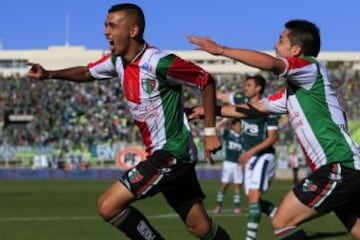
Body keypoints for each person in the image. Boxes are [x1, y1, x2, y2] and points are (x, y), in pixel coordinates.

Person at [27, 3, 230, 240]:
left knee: (108, 206)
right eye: (105, 25)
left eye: (112, 25)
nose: (105, 31)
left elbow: (205, 80)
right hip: (167, 154)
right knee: (200, 227)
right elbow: (87, 72)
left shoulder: (158, 62)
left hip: (171, 153)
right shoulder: (117, 62)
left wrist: (209, 132)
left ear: (132, 31)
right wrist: (49, 74)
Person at [187, 19, 360, 239]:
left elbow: (270, 64)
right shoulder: (292, 93)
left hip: (339, 166)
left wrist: (221, 50)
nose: (275, 44)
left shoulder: (309, 67)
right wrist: (210, 110)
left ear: (296, 50)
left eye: (281, 40)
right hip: (348, 168)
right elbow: (254, 109)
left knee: (282, 221)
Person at [217, 75, 280, 240]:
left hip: (264, 156)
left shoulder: (269, 106)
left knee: (253, 197)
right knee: (253, 201)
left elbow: (273, 137)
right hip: (249, 158)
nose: (245, 87)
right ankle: (279, 216)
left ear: (258, 88)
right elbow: (221, 96)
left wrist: (250, 152)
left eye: (249, 85)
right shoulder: (241, 99)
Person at [213, 118, 244, 215]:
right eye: (238, 125)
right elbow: (217, 128)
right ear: (233, 126)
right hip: (229, 163)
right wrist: (224, 120)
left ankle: (237, 207)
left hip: (238, 165)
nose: (240, 127)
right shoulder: (228, 134)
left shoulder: (243, 138)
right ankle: (218, 205)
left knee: (238, 186)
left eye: (240, 125)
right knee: (224, 185)